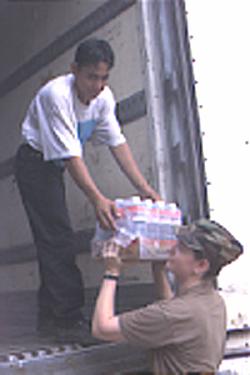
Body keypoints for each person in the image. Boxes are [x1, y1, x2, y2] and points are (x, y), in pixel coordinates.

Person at [14, 38, 160, 340]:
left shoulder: (103, 99)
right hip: (34, 163)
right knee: (57, 237)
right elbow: (70, 155)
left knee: (53, 237)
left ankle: (50, 317)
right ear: (74, 70)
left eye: (104, 77)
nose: (98, 85)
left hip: (53, 166)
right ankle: (65, 319)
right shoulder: (56, 95)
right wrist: (97, 199)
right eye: (91, 76)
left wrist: (145, 188)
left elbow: (117, 143)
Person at [92, 218, 243, 374]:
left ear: (201, 265)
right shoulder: (212, 300)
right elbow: (173, 316)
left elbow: (102, 328)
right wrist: (159, 270)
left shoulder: (174, 314)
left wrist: (112, 272)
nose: (172, 250)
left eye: (181, 249)